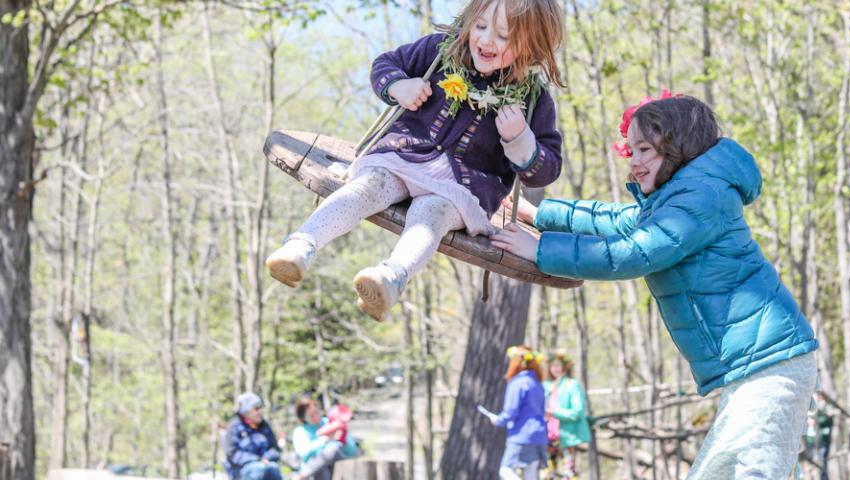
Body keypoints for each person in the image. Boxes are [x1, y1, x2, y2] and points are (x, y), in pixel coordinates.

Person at [492, 93, 819, 478]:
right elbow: (615, 220)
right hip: (759, 366)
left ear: (677, 144)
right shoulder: (677, 196)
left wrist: (541, 250)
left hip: (773, 365)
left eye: (644, 148)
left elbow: (633, 252)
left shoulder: (701, 197)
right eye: (629, 151)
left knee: (745, 471)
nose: (634, 162)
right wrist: (540, 213)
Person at [265, 0, 565, 321]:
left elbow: (544, 171)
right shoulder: (440, 52)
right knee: (368, 186)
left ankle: (390, 278)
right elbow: (385, 64)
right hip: (403, 156)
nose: (486, 40)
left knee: (429, 214)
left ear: (532, 43)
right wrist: (398, 86)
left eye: (503, 35)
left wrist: (520, 139)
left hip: (462, 189)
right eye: (480, 26)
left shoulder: (532, 100)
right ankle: (300, 246)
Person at [489, 345, 548, 480]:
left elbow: (510, 411)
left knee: (505, 470)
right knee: (531, 474)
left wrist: (498, 420)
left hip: (522, 435)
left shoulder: (518, 383)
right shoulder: (537, 383)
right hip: (539, 435)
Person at [542, 351, 590, 478]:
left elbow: (577, 412)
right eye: (553, 366)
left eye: (558, 365)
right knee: (548, 472)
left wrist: (554, 412)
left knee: (569, 472)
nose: (555, 369)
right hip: (549, 435)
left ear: (565, 366)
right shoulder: (546, 385)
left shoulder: (572, 385)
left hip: (567, 436)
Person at [225, 392, 282, 480]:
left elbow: (275, 448)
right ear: (246, 411)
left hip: (266, 463)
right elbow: (232, 454)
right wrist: (257, 459)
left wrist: (266, 458)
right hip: (242, 470)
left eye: (260, 408)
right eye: (256, 408)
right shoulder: (234, 426)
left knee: (273, 468)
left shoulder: (264, 425)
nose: (260, 411)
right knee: (258, 469)